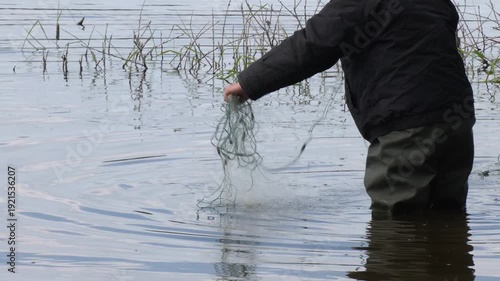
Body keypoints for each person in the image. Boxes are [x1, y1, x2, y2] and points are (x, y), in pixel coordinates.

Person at [223, 0, 475, 215]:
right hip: (456, 122)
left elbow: (313, 45)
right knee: (448, 215)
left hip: (405, 130)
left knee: (396, 229)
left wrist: (248, 83)